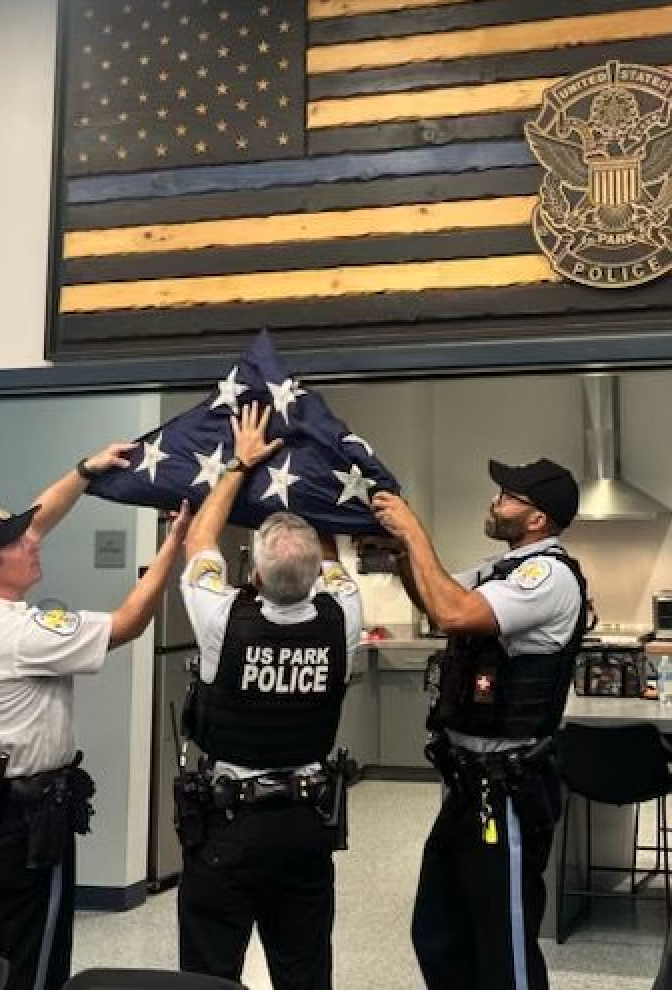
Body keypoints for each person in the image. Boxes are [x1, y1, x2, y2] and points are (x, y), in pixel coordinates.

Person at [0, 442, 193, 990]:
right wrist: (172, 548)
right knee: (36, 951)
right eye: (15, 545)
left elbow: (38, 517)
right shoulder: (16, 635)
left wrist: (84, 471)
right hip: (24, 819)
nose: (31, 544)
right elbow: (126, 626)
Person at [370, 456, 591, 990]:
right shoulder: (501, 569)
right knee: (440, 929)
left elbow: (455, 614)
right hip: (467, 784)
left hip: (508, 790)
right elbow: (436, 595)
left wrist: (413, 529)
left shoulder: (547, 575)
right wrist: (402, 552)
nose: (495, 502)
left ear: (537, 519)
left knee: (503, 942)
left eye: (508, 496)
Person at [175, 403, 364, 990]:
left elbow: (200, 539)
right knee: (304, 971)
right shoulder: (345, 617)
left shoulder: (220, 620)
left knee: (209, 974)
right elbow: (332, 563)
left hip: (228, 827)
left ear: (252, 573)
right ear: (313, 575)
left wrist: (241, 462)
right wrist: (320, 481)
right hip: (305, 826)